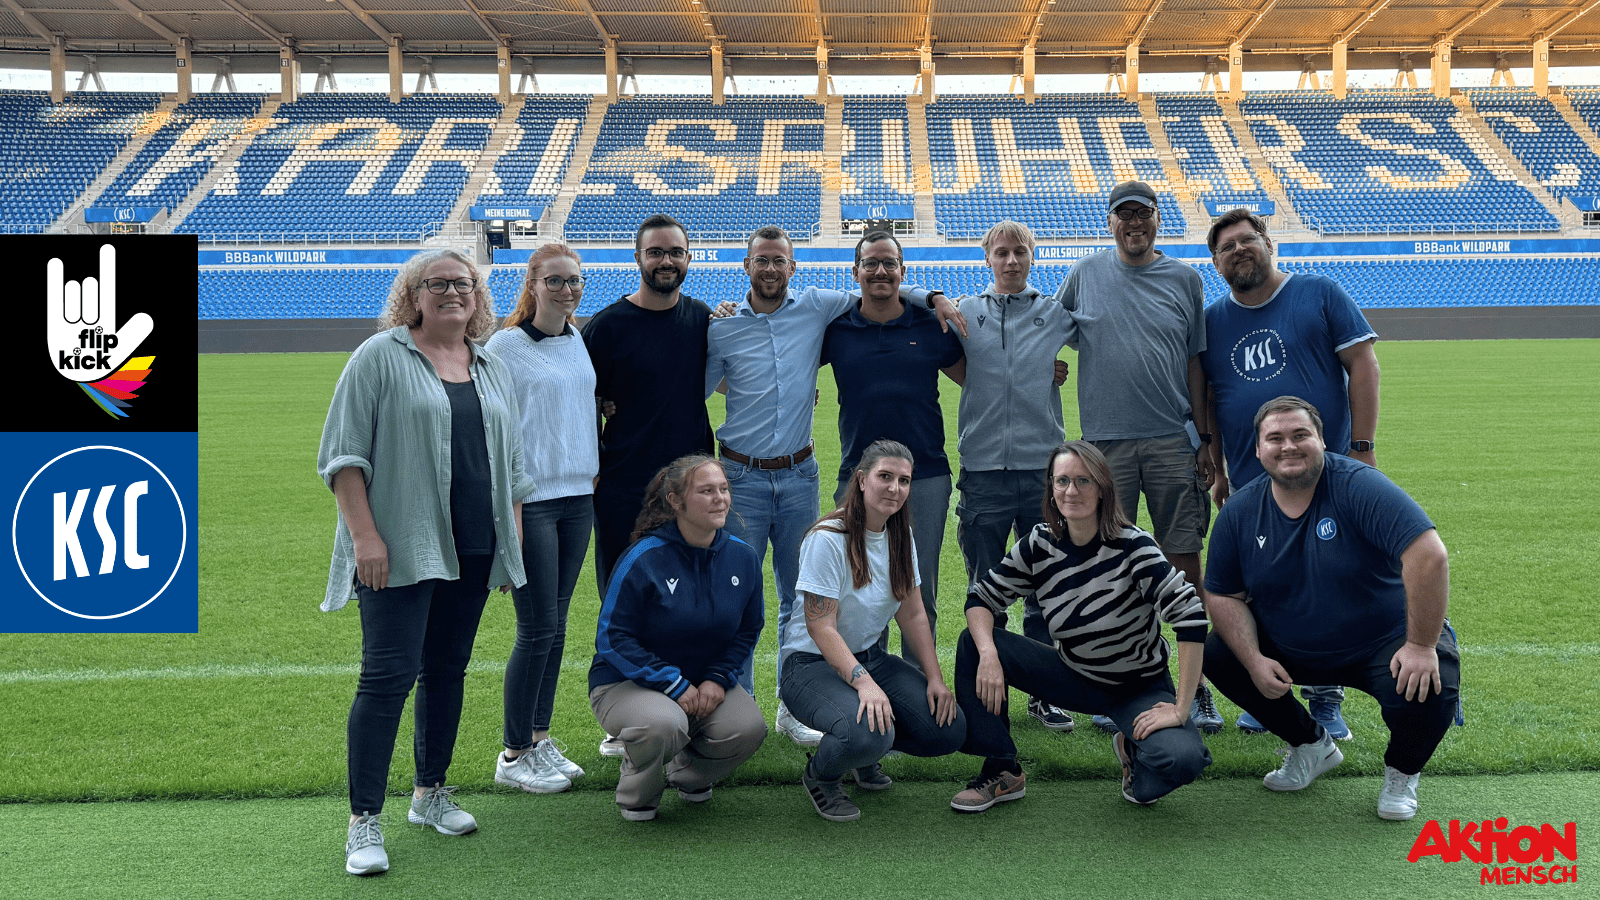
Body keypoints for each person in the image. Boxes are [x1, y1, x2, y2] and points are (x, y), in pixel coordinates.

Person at [319, 249, 533, 876]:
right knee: (386, 678)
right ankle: (363, 819)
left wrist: (507, 548)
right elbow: (344, 457)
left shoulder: (489, 364)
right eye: (436, 284)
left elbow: (512, 469)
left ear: (477, 296)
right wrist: (366, 540)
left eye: (462, 284)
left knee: (446, 671)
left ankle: (429, 793)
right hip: (400, 545)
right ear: (412, 295)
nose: (451, 293)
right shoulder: (379, 356)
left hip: (472, 547)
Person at [706, 224, 960, 747]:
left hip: (875, 473)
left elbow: (965, 366)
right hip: (800, 476)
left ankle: (900, 698)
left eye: (781, 259)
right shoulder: (800, 324)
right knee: (766, 591)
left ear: (794, 267)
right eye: (763, 260)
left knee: (892, 591)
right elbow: (709, 380)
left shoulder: (864, 314)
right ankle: (751, 706)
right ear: (747, 265)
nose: (771, 268)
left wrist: (931, 294)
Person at [1202, 397, 1459, 821]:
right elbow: (1222, 593)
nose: (1289, 446)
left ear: (1322, 440)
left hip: (1381, 641)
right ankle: (1310, 745)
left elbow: (1428, 555)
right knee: (1221, 653)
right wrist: (1253, 659)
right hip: (1293, 644)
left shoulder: (1359, 485)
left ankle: (1402, 772)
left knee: (1431, 682)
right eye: (1275, 438)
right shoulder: (1240, 512)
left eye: (1301, 435)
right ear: (1257, 450)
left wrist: (1419, 645)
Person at [952, 441, 1211, 812]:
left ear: (1103, 487)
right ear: (1051, 489)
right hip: (1073, 673)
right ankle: (1002, 769)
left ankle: (1132, 752)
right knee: (972, 643)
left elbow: (1190, 616)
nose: (1071, 491)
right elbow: (982, 598)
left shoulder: (1134, 546)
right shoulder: (1040, 543)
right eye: (1062, 481)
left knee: (1181, 760)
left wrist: (1181, 709)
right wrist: (990, 654)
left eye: (1083, 481)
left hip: (1135, 686)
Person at [1201, 208, 1382, 740]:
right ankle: (1269, 690)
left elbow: (1364, 365)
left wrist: (1362, 448)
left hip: (1326, 472)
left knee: (1331, 580)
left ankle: (1326, 698)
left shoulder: (1320, 292)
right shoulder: (1214, 320)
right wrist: (1219, 472)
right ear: (1215, 262)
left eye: (1246, 239)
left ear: (1267, 242)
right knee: (1262, 585)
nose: (1238, 250)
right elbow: (1214, 396)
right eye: (1225, 246)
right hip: (1251, 480)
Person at [1054, 180, 1222, 735]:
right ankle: (1120, 686)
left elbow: (1197, 362)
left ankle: (1192, 691)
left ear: (1157, 219)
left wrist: (1204, 437)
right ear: (1110, 223)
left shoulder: (1184, 278)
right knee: (1113, 567)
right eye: (1123, 215)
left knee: (1182, 562)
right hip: (1105, 447)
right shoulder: (1084, 275)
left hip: (1173, 441)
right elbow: (1044, 331)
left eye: (1143, 215)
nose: (1133, 224)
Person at [583, 214, 715, 756]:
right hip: (625, 489)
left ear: (690, 258)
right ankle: (625, 718)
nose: (666, 261)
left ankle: (688, 715)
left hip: (690, 489)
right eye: (656, 252)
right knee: (624, 601)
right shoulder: (608, 327)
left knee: (689, 604)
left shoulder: (703, 318)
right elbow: (582, 401)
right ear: (638, 258)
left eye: (676, 252)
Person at [780, 440, 966, 822]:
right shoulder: (828, 538)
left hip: (870, 657)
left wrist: (935, 679)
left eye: (904, 480)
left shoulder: (901, 535)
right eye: (885, 477)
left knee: (947, 727)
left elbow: (913, 614)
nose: (894, 489)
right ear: (862, 480)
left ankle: (863, 757)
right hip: (810, 666)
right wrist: (864, 683)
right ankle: (823, 776)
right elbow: (820, 626)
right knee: (866, 733)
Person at [588, 455, 768, 822]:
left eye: (723, 489)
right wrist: (672, 683)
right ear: (676, 501)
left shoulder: (743, 557)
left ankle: (688, 774)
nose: (720, 499)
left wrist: (718, 679)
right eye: (706, 491)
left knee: (749, 728)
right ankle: (638, 794)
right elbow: (611, 638)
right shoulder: (643, 557)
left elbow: (749, 628)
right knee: (663, 724)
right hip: (628, 682)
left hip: (702, 683)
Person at [953, 220, 1076, 733]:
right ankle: (989, 679)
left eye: (1019, 253)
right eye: (1001, 253)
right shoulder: (963, 312)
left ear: (1033, 257)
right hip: (982, 471)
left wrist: (1054, 370)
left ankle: (1045, 691)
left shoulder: (1054, 314)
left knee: (1046, 585)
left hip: (1044, 471)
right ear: (987, 259)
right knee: (986, 586)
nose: (1010, 261)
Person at [484, 243, 597, 793]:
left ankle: (538, 734)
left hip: (579, 497)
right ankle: (513, 753)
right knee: (536, 629)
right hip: (533, 500)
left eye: (574, 280)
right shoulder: (505, 346)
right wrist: (508, 514)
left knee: (555, 629)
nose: (567, 289)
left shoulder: (578, 337)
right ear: (532, 283)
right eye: (555, 281)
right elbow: (491, 431)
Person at [820, 231, 964, 661]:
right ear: (856, 272)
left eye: (889, 263)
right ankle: (873, 685)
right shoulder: (836, 329)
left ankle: (919, 689)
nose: (880, 271)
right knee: (862, 588)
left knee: (922, 588)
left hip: (926, 475)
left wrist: (1041, 371)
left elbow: (977, 381)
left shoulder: (930, 325)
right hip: (858, 476)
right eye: (871, 263)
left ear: (903, 271)